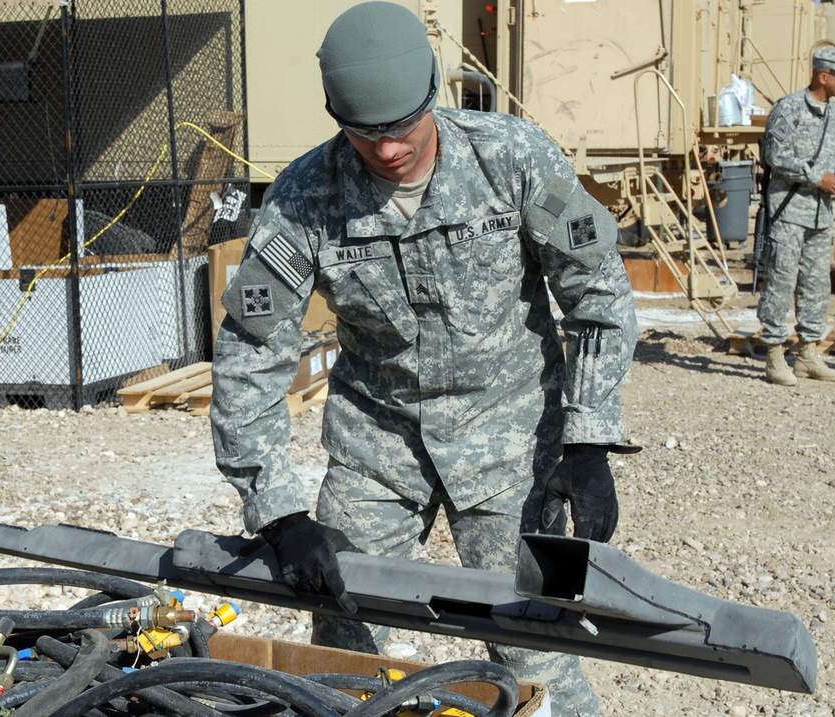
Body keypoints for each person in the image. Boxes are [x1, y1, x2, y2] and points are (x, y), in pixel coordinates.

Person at [210, 3, 638, 715]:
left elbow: (596, 288)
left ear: (434, 90)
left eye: (403, 127)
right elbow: (251, 349)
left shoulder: (514, 157)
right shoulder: (303, 199)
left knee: (536, 646)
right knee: (345, 645)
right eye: (365, 133)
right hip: (377, 445)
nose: (385, 150)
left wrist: (589, 438)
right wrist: (278, 512)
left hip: (510, 435)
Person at [757, 46, 835, 385]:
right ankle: (774, 355)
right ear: (823, 76)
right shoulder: (790, 108)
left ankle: (808, 353)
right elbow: (774, 154)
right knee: (781, 280)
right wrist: (817, 177)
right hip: (789, 210)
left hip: (821, 213)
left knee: (816, 283)